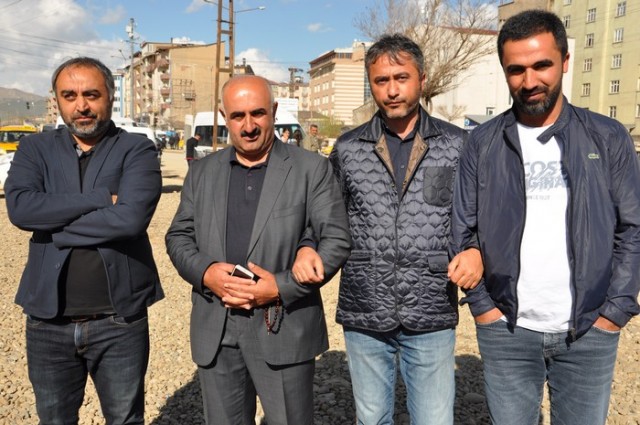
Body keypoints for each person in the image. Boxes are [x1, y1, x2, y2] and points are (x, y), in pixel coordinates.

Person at [451, 10, 640, 425]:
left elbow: (632, 229)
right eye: (516, 69)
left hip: (590, 330)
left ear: (565, 62)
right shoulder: (482, 142)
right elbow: (462, 228)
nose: (530, 80)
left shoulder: (608, 137)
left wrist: (614, 312)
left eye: (542, 65)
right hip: (506, 329)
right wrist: (484, 308)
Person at [296, 33, 481, 424]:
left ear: (422, 79)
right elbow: (324, 214)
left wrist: (475, 250)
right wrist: (308, 245)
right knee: (372, 417)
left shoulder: (457, 144)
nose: (392, 90)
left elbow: (477, 215)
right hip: (366, 307)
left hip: (431, 307)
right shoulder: (348, 149)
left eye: (401, 78)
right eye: (381, 81)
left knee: (434, 419)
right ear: (371, 84)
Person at [165, 75, 351, 425]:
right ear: (224, 117)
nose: (248, 126)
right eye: (238, 116)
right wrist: (206, 273)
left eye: (258, 113)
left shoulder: (310, 168)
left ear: (274, 112)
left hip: (282, 323)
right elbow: (178, 236)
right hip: (217, 325)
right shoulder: (202, 172)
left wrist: (279, 286)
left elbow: (336, 239)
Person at [4, 57, 164, 424]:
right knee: (54, 419)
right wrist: (99, 199)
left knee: (125, 418)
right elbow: (22, 210)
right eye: (69, 95)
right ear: (57, 99)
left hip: (119, 321)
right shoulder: (35, 148)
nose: (81, 106)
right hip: (48, 322)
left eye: (91, 94)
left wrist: (53, 226)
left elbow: (130, 219)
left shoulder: (136, 149)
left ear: (110, 96)